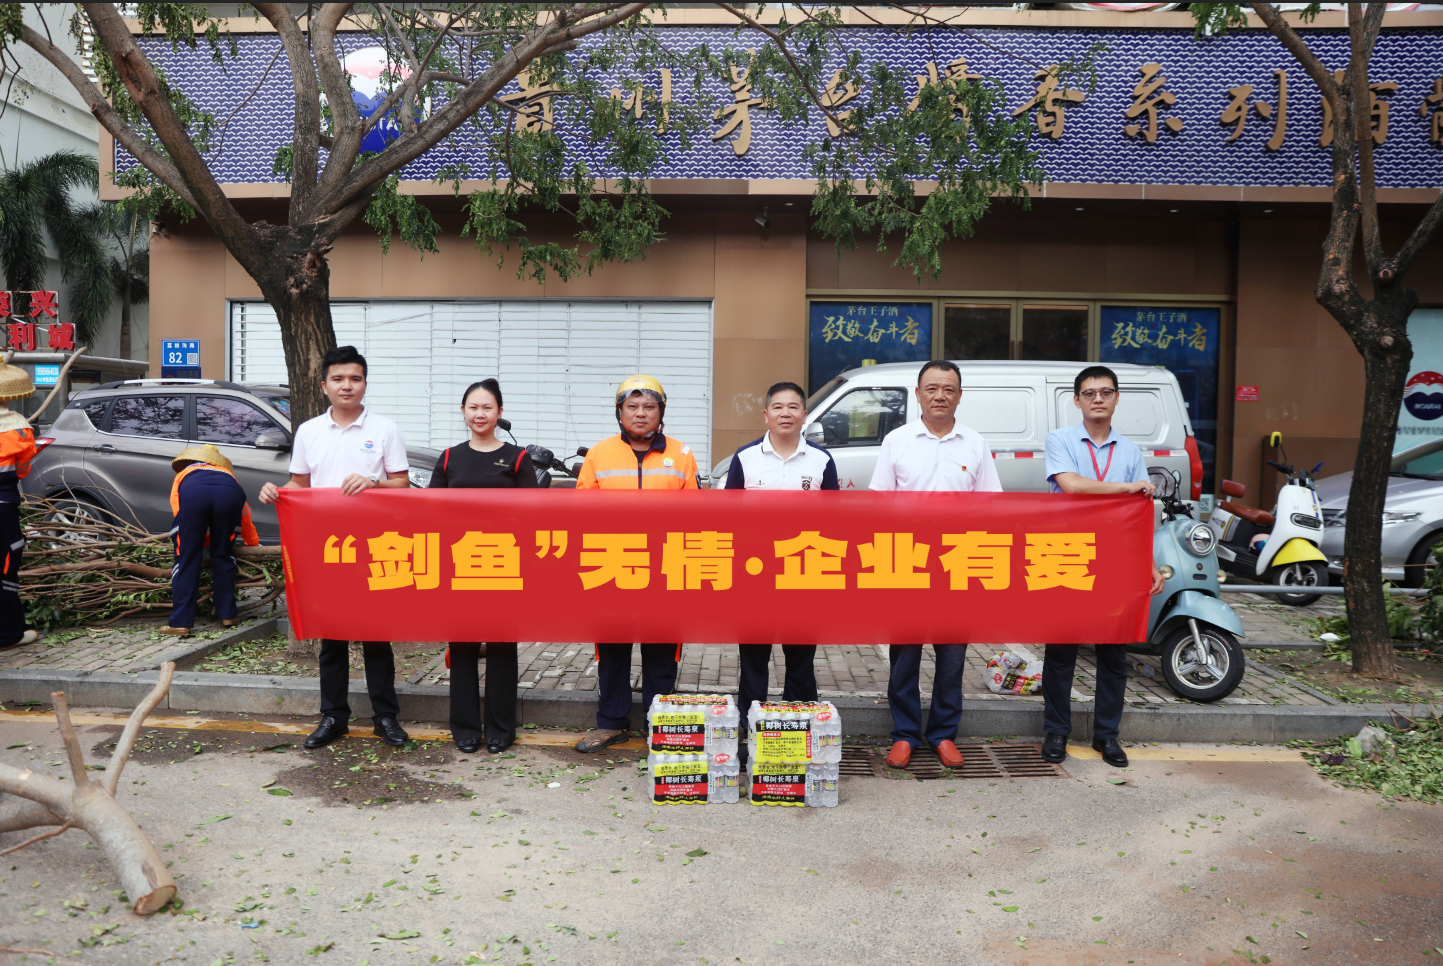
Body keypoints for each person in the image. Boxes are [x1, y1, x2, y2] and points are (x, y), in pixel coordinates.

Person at [259, 345, 411, 750]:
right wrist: (277, 491)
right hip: (326, 547)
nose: (347, 385)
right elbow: (299, 485)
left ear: (365, 384)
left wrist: (374, 483)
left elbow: (403, 485)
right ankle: (333, 716)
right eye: (339, 379)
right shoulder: (309, 431)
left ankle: (386, 717)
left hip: (376, 545)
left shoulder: (385, 429)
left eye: (355, 378)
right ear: (324, 385)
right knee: (332, 637)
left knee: (376, 636)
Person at [869, 360, 1002, 771]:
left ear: (959, 395)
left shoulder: (975, 443)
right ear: (918, 394)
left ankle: (943, 734)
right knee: (905, 655)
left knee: (952, 656)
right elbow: (878, 503)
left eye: (948, 389)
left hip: (958, 562)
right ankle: (904, 735)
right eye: (931, 388)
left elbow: (991, 505)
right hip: (907, 561)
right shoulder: (897, 441)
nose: (939, 395)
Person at [1040, 365, 1165, 769]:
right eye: (1090, 393)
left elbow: (1138, 515)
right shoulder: (1060, 440)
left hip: (1116, 559)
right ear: (1077, 400)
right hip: (1067, 555)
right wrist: (1127, 487)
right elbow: (1072, 485)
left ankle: (1107, 735)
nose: (1098, 399)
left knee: (1113, 652)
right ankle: (1056, 732)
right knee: (1062, 651)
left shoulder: (1130, 451)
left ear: (1116, 398)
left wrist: (1149, 565)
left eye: (1106, 392)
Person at [573, 374, 699, 753]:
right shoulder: (599, 454)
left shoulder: (682, 455)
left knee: (661, 649)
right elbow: (580, 513)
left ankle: (659, 724)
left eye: (649, 406)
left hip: (665, 566)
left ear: (661, 412)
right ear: (620, 411)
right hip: (612, 564)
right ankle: (611, 723)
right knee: (612, 648)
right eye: (632, 406)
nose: (640, 413)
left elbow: (695, 515)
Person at [724, 381, 837, 758]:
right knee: (753, 659)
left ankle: (798, 736)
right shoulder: (745, 458)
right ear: (766, 415)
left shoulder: (821, 460)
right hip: (755, 575)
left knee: (801, 659)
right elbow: (728, 518)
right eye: (778, 407)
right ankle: (750, 736)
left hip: (805, 572)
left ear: (804, 415)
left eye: (793, 407)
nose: (785, 413)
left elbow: (836, 521)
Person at [428, 378, 536, 754]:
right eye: (473, 407)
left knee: (502, 646)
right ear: (463, 412)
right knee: (463, 646)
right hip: (459, 563)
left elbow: (532, 515)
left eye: (487, 407)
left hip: (504, 562)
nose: (480, 414)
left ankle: (501, 729)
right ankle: (465, 728)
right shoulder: (449, 458)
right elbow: (431, 512)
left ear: (499, 412)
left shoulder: (518, 459)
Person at [163, 444, 260, 636]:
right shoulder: (228, 476)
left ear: (191, 460)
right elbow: (245, 513)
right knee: (223, 554)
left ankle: (180, 623)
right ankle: (228, 615)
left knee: (187, 558)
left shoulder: (184, 474)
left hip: (194, 495)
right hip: (230, 495)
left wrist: (199, 541)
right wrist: (252, 543)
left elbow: (178, 509)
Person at [0, 360, 38, 651]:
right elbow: (23, 469)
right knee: (6, 566)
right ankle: (8, 634)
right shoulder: (18, 426)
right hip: (3, 504)